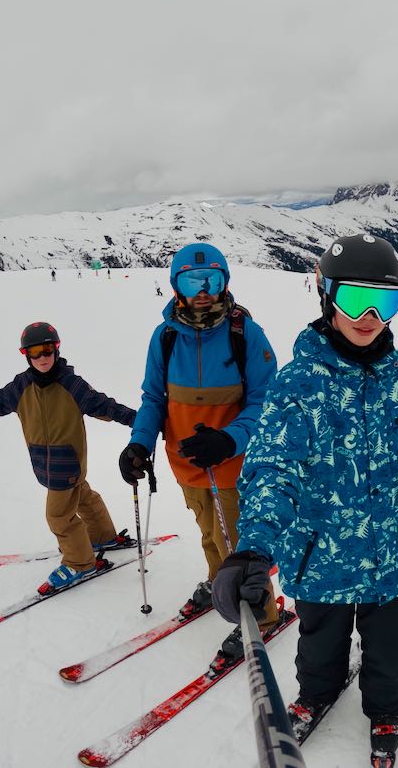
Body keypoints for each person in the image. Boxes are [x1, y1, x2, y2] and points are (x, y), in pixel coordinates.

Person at [208, 234, 398, 764]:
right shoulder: (298, 384)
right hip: (319, 555)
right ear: (326, 295)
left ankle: (387, 708)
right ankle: (317, 694)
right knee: (319, 643)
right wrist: (253, 546)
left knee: (393, 649)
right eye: (354, 299)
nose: (370, 314)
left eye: (386, 300)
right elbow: (271, 470)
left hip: (390, 554)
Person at [118, 243, 281, 666]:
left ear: (226, 282)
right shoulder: (166, 336)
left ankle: (259, 616)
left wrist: (229, 439)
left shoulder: (245, 333)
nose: (204, 290)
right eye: (193, 281)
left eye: (213, 280)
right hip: (186, 463)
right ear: (176, 286)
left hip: (234, 463)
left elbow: (267, 401)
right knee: (210, 531)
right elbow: (153, 397)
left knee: (241, 541)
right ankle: (219, 582)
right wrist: (140, 442)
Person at [0, 322, 137, 594]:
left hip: (66, 464)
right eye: (35, 352)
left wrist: (142, 421)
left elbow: (105, 406)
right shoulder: (21, 387)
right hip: (45, 463)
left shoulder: (71, 385)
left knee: (58, 516)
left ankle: (81, 562)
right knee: (82, 495)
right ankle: (101, 537)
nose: (42, 357)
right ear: (26, 355)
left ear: (56, 350)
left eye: (47, 350)